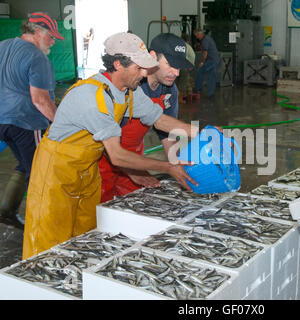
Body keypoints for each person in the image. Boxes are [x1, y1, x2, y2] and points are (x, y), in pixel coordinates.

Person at [22, 32, 199, 260]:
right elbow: (116, 156)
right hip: (56, 173)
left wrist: (200, 132)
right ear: (118, 65)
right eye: (139, 68)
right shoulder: (95, 97)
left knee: (84, 238)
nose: (145, 73)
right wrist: (167, 167)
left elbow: (159, 119)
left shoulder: (128, 92)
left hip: (87, 172)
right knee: (47, 245)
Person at [99, 33, 195, 202]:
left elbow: (166, 133)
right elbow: (105, 145)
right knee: (98, 211)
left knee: (133, 206)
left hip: (135, 157)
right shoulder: (128, 86)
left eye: (179, 68)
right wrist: (131, 169)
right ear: (152, 57)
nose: (176, 73)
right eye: (171, 65)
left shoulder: (169, 91)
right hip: (104, 157)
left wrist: (179, 170)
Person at [0, 12, 63, 229]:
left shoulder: (3, 46)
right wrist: (63, 124)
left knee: (24, 163)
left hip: (2, 121)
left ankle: (6, 210)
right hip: (26, 123)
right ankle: (43, 223)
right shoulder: (37, 57)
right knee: (40, 170)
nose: (53, 41)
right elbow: (41, 101)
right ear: (37, 32)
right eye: (51, 36)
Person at [194, 28, 220, 98]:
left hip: (211, 60)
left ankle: (197, 89)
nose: (196, 37)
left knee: (200, 71)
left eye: (197, 35)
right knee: (212, 76)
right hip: (215, 59)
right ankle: (211, 94)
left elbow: (205, 53)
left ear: (200, 34)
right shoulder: (208, 38)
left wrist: (202, 62)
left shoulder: (205, 40)